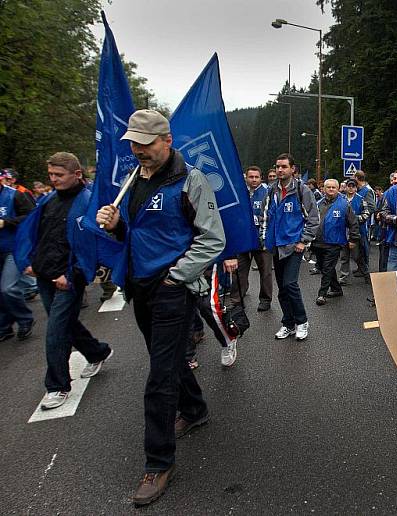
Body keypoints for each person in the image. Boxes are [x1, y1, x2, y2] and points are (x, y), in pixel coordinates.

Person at [96, 109, 225, 505]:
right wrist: (117, 224)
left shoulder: (191, 181)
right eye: (133, 143)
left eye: (146, 143)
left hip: (173, 289)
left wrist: (177, 275)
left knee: (159, 377)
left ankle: (159, 462)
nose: (138, 150)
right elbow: (138, 232)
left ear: (167, 140)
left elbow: (213, 239)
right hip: (140, 286)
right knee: (162, 359)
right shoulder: (134, 179)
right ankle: (197, 408)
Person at [15, 152, 113, 409]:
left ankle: (57, 386)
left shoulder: (89, 203)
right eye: (51, 175)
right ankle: (97, 351)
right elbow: (37, 234)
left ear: (77, 174)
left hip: (68, 278)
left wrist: (71, 275)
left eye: (59, 175)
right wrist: (29, 262)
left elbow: (90, 247)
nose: (53, 180)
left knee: (56, 330)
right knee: (66, 323)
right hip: (45, 274)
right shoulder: (47, 200)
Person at [263, 153, 319, 341]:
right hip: (276, 246)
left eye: (284, 167)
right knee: (282, 288)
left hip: (294, 246)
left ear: (292, 169)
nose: (280, 170)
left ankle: (302, 321)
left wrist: (303, 241)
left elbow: (313, 218)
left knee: (290, 284)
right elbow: (266, 217)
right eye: (277, 166)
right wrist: (265, 240)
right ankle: (288, 323)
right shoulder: (271, 191)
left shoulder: (302, 190)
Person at [230, 166, 273, 312]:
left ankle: (265, 299)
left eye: (256, 177)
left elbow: (271, 216)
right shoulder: (240, 193)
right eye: (251, 177)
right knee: (240, 270)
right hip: (243, 239)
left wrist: (265, 235)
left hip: (262, 238)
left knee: (265, 271)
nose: (254, 179)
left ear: (261, 178)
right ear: (246, 178)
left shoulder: (267, 193)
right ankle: (236, 298)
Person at [0, 169, 36, 342]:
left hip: (13, 249)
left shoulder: (15, 195)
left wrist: (6, 222)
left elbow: (32, 216)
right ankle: (4, 326)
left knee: (8, 288)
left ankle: (25, 318)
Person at [311, 179, 359, 305]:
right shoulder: (318, 203)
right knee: (323, 267)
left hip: (334, 242)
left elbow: (353, 223)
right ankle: (337, 289)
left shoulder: (344, 204)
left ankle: (321, 294)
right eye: (328, 187)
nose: (331, 189)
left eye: (333, 187)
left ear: (338, 189)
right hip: (318, 241)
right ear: (324, 189)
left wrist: (353, 239)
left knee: (327, 268)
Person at [337, 178, 368, 284]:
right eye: (349, 186)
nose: (350, 188)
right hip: (343, 231)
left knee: (357, 256)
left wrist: (354, 219)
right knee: (344, 256)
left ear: (356, 188)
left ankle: (366, 273)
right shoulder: (341, 199)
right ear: (346, 188)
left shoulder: (361, 199)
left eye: (353, 186)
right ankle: (343, 277)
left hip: (356, 231)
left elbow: (366, 214)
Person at [375, 171, 397, 272]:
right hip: (385, 232)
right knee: (384, 260)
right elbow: (378, 211)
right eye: (394, 179)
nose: (396, 181)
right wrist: (379, 215)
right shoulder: (386, 194)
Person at [354, 170, 376, 272]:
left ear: (356, 178)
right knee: (358, 248)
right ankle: (360, 268)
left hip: (365, 224)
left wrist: (362, 217)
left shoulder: (367, 190)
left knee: (364, 247)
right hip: (359, 223)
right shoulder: (360, 189)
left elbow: (372, 207)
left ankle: (365, 270)